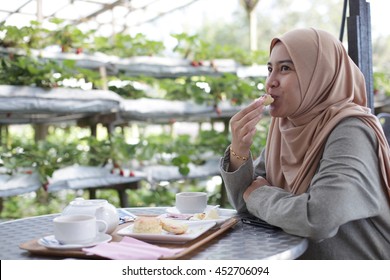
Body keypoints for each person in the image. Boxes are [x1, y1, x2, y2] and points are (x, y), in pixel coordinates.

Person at [220, 28, 390, 259]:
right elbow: (245, 201)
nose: (270, 83)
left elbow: (319, 218)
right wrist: (239, 150)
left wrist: (260, 195)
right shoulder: (285, 127)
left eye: (285, 68)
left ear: (319, 74)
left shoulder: (350, 130)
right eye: (270, 69)